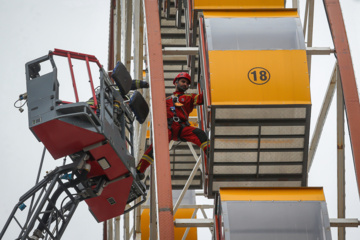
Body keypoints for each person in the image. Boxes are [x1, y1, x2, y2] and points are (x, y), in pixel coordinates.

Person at [136, 72, 209, 180]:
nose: (185, 84)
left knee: (199, 133)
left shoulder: (189, 97)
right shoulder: (165, 100)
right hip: (167, 128)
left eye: (187, 83)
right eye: (183, 81)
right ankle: (139, 170)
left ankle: (210, 153)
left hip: (182, 127)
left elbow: (203, 98)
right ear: (175, 82)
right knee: (155, 148)